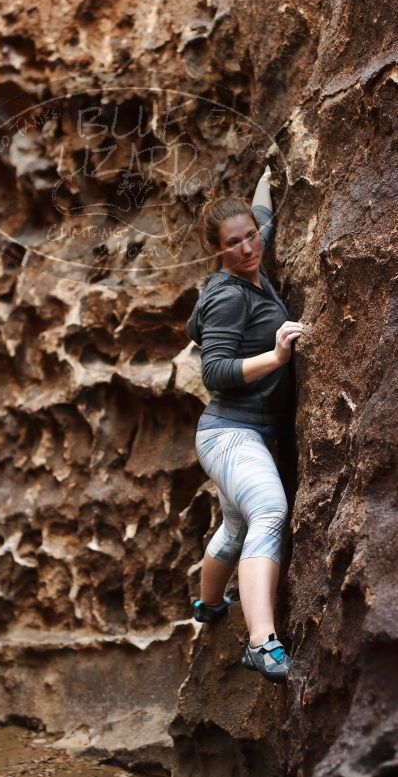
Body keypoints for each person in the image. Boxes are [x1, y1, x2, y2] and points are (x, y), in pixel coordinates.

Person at [185, 165, 304, 684]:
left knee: (235, 526)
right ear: (218, 251)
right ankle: (262, 642)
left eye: (251, 238)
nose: (249, 247)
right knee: (269, 510)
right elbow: (213, 370)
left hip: (243, 434)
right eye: (234, 243)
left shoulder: (250, 258)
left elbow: (261, 217)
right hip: (230, 431)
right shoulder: (231, 295)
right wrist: (275, 358)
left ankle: (209, 607)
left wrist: (267, 176)